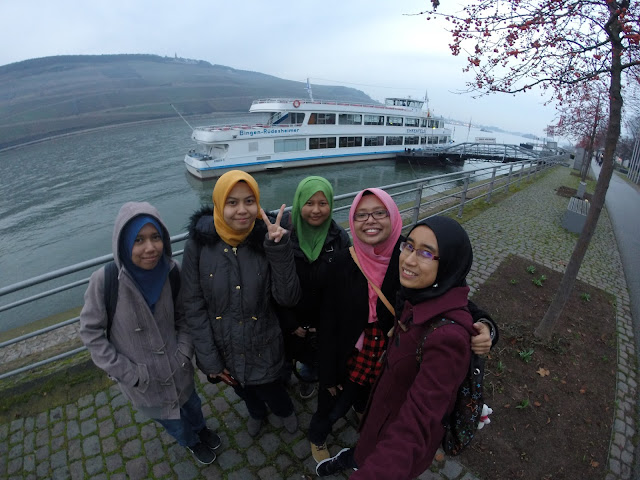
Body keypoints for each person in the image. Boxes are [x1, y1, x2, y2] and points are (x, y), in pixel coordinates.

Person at [310, 189, 497, 463]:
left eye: (379, 213)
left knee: (371, 395)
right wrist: (326, 374)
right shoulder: (342, 261)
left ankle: (364, 414)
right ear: (351, 219)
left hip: (390, 352)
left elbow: (455, 297)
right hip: (349, 353)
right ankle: (318, 435)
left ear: (393, 216)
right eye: (361, 214)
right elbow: (326, 322)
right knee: (332, 402)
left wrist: (485, 325)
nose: (369, 220)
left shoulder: (408, 256)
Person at [79, 202, 220, 465]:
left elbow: (184, 316)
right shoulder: (105, 281)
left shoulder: (171, 271)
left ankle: (202, 430)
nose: (150, 248)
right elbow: (91, 334)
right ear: (122, 243)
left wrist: (183, 352)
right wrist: (128, 373)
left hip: (178, 372)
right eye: (139, 240)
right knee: (173, 423)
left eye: (155, 237)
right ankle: (191, 442)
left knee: (193, 407)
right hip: (143, 385)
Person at [181, 170, 301, 438]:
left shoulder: (268, 238)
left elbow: (287, 298)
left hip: (264, 344)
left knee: (273, 389)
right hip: (224, 348)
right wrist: (209, 359)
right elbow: (192, 304)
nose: (242, 210)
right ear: (218, 203)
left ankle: (285, 411)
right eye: (232, 202)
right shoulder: (198, 246)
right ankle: (257, 413)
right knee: (243, 391)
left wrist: (279, 249)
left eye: (249, 201)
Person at [277, 176, 350, 402]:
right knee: (284, 354)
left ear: (330, 204)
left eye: (322, 203)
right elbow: (273, 283)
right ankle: (284, 376)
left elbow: (344, 286)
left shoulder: (339, 238)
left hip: (321, 321)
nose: (316, 210)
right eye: (309, 203)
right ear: (299, 204)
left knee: (310, 358)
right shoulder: (283, 237)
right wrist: (290, 322)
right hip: (289, 318)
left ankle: (307, 378)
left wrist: (325, 324)